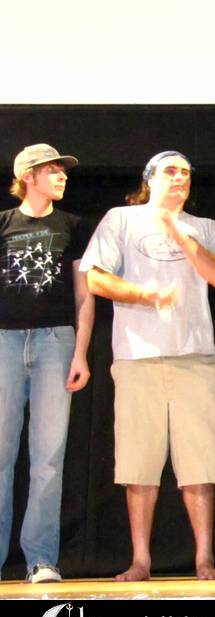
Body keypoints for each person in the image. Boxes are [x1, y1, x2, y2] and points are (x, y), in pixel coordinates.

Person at [80, 151, 215, 581]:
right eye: (170, 171)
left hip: (195, 357)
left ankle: (204, 559)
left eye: (186, 172)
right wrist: (143, 294)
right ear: (149, 178)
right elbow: (94, 278)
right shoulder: (121, 220)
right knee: (140, 466)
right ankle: (141, 561)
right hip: (137, 357)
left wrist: (183, 237)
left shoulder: (206, 228)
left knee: (200, 466)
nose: (180, 178)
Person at [0, 144, 94, 583]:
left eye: (63, 170)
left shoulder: (72, 226)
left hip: (56, 342)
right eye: (52, 170)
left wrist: (81, 353)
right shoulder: (3, 223)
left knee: (48, 458)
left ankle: (40, 559)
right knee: (1, 456)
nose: (62, 176)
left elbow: (84, 295)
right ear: (28, 176)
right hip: (4, 341)